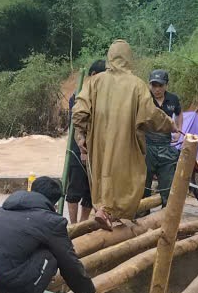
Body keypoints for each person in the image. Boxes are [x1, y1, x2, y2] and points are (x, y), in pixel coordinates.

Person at [0, 176, 104, 293]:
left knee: (10, 254)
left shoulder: (3, 210)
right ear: (53, 203)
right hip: (1, 281)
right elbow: (69, 262)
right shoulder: (51, 221)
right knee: (51, 254)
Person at [71, 40, 178, 227]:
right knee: (128, 177)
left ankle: (103, 210)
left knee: (101, 174)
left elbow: (79, 111)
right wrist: (170, 124)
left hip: (98, 142)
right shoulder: (137, 85)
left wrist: (81, 135)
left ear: (109, 57)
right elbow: (151, 115)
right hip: (126, 142)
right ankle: (115, 213)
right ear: (129, 58)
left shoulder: (94, 82)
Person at [65, 58, 106, 224]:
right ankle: (73, 224)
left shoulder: (104, 96)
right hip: (78, 148)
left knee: (91, 191)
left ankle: (83, 224)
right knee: (75, 188)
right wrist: (83, 148)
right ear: (94, 75)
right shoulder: (79, 96)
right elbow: (78, 124)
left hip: (97, 150)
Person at [144, 69, 183, 207]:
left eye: (160, 85)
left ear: (166, 85)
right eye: (154, 85)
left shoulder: (173, 99)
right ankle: (142, 214)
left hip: (166, 144)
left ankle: (165, 215)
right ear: (150, 85)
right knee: (144, 183)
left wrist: (178, 131)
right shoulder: (144, 99)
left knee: (167, 183)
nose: (157, 89)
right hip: (147, 144)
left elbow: (179, 114)